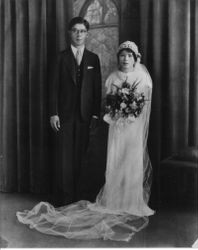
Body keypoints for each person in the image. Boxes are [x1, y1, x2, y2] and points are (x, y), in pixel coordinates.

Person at [17, 41, 154, 242]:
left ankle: (132, 201)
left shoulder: (142, 78)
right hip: (117, 127)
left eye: (129, 56)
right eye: (122, 55)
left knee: (131, 161)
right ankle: (115, 199)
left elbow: (144, 106)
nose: (125, 59)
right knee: (116, 159)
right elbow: (108, 101)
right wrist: (117, 112)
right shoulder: (113, 77)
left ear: (135, 58)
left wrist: (131, 113)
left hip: (133, 128)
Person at [49, 17, 102, 205]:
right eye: (75, 30)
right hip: (64, 116)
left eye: (82, 31)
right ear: (69, 33)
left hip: (85, 116)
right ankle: (65, 199)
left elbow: (97, 89)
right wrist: (53, 112)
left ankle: (80, 198)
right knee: (65, 158)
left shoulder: (93, 59)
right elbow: (53, 87)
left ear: (87, 34)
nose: (79, 34)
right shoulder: (59, 57)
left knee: (82, 157)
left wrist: (95, 114)